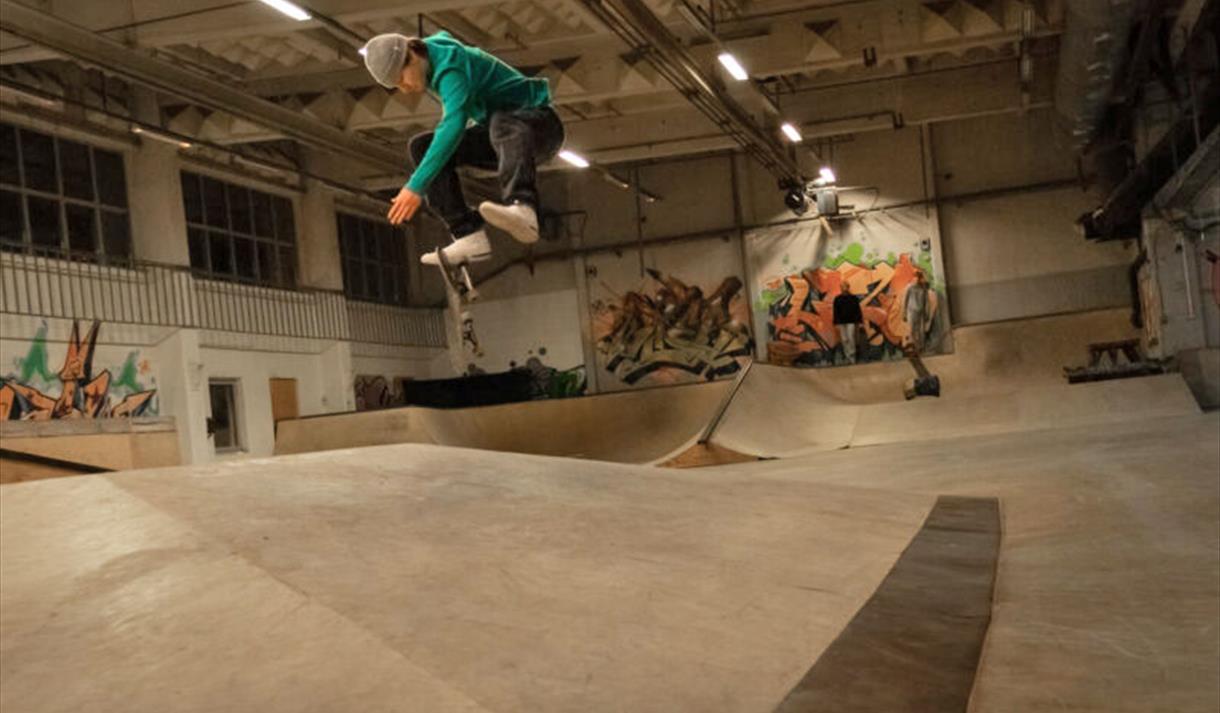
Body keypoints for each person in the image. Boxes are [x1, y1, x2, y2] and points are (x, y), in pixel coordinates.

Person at [361, 32, 565, 266]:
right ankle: (468, 235)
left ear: (412, 56)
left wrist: (416, 186)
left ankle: (523, 207)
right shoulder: (430, 57)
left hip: (540, 126)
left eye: (401, 79)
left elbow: (453, 125)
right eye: (396, 85)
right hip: (502, 137)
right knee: (421, 145)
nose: (404, 89)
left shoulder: (449, 66)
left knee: (499, 121)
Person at [832, 282, 863, 364]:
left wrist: (860, 322)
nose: (843, 288)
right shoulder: (837, 299)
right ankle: (847, 356)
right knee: (844, 339)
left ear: (848, 287)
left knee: (850, 337)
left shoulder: (853, 298)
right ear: (840, 288)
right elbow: (835, 312)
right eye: (842, 287)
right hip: (841, 322)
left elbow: (858, 310)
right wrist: (835, 323)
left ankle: (852, 356)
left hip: (851, 321)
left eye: (845, 286)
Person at [904, 270, 932, 354]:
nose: (916, 280)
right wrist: (904, 313)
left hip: (921, 312)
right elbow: (906, 301)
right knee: (912, 329)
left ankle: (921, 347)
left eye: (918, 278)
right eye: (915, 278)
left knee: (920, 330)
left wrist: (927, 313)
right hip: (911, 311)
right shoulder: (910, 288)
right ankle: (914, 347)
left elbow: (926, 302)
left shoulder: (923, 289)